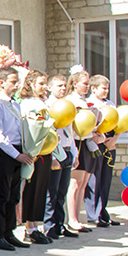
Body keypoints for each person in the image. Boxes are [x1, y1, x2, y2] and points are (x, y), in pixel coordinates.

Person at [0, 66, 35, 251]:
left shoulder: (15, 104)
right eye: (13, 82)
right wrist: (16, 155)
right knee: (3, 195)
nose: (16, 85)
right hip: (6, 153)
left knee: (14, 196)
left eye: (17, 82)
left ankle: (9, 232)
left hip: (18, 151)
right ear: (2, 82)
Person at [19, 70, 54, 244]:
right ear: (31, 84)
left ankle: (36, 224)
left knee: (41, 188)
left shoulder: (44, 102)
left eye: (45, 83)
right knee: (32, 188)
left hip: (46, 151)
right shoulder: (26, 104)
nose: (44, 87)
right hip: (34, 151)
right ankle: (29, 227)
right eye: (40, 83)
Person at [44, 74, 78, 239]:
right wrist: (54, 155)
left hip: (67, 149)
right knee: (52, 191)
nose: (63, 88)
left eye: (65, 86)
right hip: (55, 152)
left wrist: (74, 152)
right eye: (59, 86)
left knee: (62, 190)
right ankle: (48, 225)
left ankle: (59, 224)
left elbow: (70, 131)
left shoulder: (67, 106)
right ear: (49, 87)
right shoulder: (48, 106)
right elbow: (49, 133)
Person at [65, 68, 98, 233]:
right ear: (75, 83)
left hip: (86, 142)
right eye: (85, 83)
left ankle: (77, 218)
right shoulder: (71, 101)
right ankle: (71, 219)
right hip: (76, 142)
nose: (87, 87)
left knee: (83, 182)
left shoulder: (86, 102)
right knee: (75, 183)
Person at [85, 74, 120, 228]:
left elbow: (119, 123)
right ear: (94, 89)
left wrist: (115, 139)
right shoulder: (89, 104)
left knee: (106, 178)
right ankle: (93, 213)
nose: (106, 91)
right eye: (103, 88)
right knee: (95, 179)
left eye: (107, 88)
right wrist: (102, 137)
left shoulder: (110, 103)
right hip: (96, 143)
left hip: (110, 144)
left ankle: (103, 211)